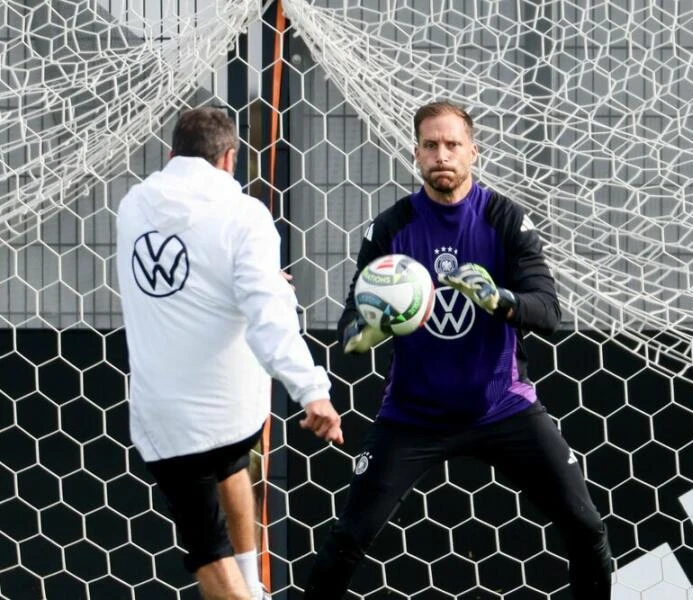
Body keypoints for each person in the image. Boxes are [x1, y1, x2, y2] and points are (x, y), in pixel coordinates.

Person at [302, 101, 613, 599]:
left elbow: (548, 311)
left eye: (452, 145)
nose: (441, 155)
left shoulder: (504, 218)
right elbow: (348, 329)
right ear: (416, 154)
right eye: (430, 145)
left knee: (587, 527)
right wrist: (369, 333)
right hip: (413, 416)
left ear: (473, 151)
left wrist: (500, 300)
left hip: (502, 407)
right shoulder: (392, 228)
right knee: (348, 538)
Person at [116, 106, 344, 600]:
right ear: (229, 159)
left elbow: (190, 274)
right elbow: (267, 317)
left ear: (171, 155)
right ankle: (249, 586)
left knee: (215, 518)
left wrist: (254, 280)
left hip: (167, 419)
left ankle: (251, 588)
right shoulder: (244, 215)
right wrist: (312, 391)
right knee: (224, 494)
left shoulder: (133, 205)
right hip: (231, 412)